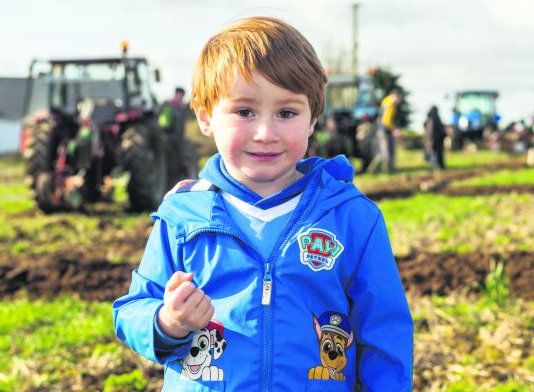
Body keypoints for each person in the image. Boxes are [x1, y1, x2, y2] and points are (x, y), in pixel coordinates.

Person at [112, 16, 413, 391]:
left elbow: (384, 330)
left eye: (286, 113)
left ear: (313, 119)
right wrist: (167, 321)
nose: (265, 133)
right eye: (244, 112)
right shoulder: (182, 216)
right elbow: (132, 310)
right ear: (206, 116)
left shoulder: (351, 217)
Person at [159, 87, 198, 181]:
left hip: (179, 141)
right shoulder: (169, 107)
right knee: (173, 166)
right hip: (171, 142)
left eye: (182, 96)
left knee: (181, 163)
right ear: (176, 94)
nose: (181, 98)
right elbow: (163, 124)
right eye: (179, 95)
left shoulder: (181, 108)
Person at [375, 88, 402, 173]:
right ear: (395, 96)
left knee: (384, 151)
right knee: (387, 151)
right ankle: (387, 170)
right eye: (399, 98)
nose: (400, 100)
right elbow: (386, 121)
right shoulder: (391, 104)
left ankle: (380, 169)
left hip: (381, 130)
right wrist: (394, 130)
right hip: (385, 130)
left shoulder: (385, 101)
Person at [423, 105, 446, 170]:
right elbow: (441, 129)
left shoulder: (428, 119)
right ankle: (438, 167)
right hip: (437, 140)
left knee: (432, 153)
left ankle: (434, 167)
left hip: (430, 140)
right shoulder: (436, 118)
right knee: (437, 154)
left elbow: (426, 128)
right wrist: (443, 135)